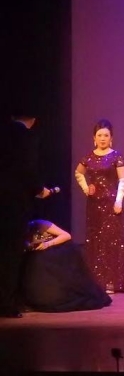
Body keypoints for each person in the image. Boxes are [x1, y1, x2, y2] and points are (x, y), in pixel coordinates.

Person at [0, 106, 54, 318]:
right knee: (11, 253)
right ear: (33, 119)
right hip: (12, 203)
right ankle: (7, 303)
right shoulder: (24, 137)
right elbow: (28, 169)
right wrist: (40, 190)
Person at [74, 119, 124, 294]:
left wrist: (119, 201)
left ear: (111, 138)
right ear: (94, 138)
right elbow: (78, 173)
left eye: (106, 135)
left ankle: (111, 281)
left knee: (111, 242)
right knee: (95, 241)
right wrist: (86, 188)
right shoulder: (88, 157)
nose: (103, 138)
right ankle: (96, 280)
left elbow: (123, 180)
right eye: (99, 135)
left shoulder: (116, 156)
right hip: (94, 205)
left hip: (112, 205)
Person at [20, 219, 111, 312]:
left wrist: (47, 244)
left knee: (41, 261)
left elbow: (66, 235)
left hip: (56, 250)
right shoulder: (24, 232)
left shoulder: (41, 224)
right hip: (40, 254)